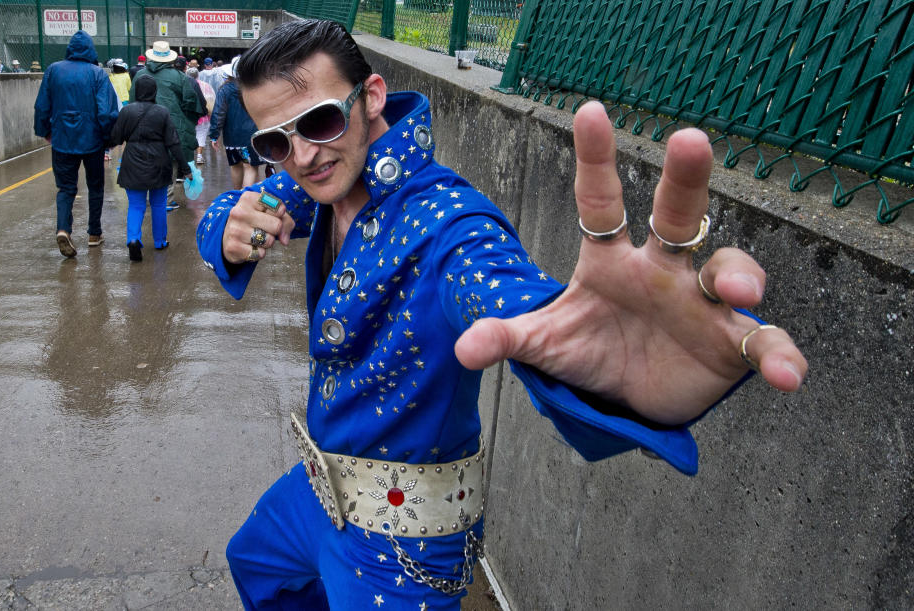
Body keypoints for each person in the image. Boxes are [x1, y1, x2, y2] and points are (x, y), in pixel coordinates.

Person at [196, 19, 807, 610]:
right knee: (254, 560)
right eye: (275, 142)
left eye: (320, 121)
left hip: (398, 550)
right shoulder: (319, 179)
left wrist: (604, 358)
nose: (300, 156)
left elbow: (503, 293)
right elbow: (247, 202)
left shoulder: (450, 226)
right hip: (313, 495)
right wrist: (227, 225)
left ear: (371, 98)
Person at [34, 30, 120, 257]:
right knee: (96, 187)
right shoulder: (97, 74)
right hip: (92, 140)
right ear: (91, 50)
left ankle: (63, 229)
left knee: (65, 188)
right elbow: (106, 111)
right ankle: (94, 233)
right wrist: (108, 139)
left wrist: (44, 131)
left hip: (62, 139)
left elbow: (42, 105)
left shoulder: (53, 70)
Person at [108, 74, 191, 262]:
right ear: (154, 91)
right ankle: (160, 241)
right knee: (159, 204)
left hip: (133, 161)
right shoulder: (162, 112)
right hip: (158, 162)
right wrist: (185, 169)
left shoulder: (127, 111)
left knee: (136, 205)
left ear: (137, 91)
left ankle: (133, 239)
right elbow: (174, 143)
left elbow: (115, 138)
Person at [129, 41, 205, 208]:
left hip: (144, 127)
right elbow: (191, 103)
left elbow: (132, 101)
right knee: (170, 162)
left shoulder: (139, 76)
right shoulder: (179, 77)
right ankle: (166, 199)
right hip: (172, 126)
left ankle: (147, 197)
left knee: (147, 161)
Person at [208, 59, 264, 188]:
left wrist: (214, 135)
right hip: (251, 136)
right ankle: (244, 198)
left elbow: (218, 113)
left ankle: (236, 196)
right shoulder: (255, 88)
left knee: (235, 166)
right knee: (249, 166)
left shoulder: (225, 89)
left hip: (231, 138)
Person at [187, 66, 215, 165]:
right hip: (204, 116)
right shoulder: (206, 86)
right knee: (201, 135)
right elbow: (211, 99)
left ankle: (188, 157)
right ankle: (199, 156)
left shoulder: (185, 84)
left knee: (189, 135)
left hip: (189, 116)